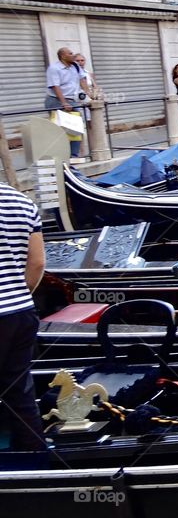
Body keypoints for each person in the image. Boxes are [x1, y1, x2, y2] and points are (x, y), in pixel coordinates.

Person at [0, 181, 47, 452]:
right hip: (20, 311)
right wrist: (19, 293)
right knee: (19, 393)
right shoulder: (21, 201)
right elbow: (38, 262)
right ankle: (35, 461)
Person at [44, 47, 90, 158]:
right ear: (63, 56)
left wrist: (88, 93)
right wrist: (64, 102)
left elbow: (82, 79)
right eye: (70, 53)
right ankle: (60, 155)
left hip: (71, 99)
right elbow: (55, 86)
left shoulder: (75, 66)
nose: (73, 55)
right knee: (59, 128)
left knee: (76, 126)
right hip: (56, 100)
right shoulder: (54, 68)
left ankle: (73, 155)